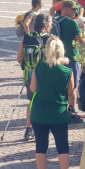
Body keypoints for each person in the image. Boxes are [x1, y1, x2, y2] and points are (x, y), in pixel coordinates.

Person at [29, 36, 80, 169]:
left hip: (39, 113)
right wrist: (72, 107)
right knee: (63, 146)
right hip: (58, 113)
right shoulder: (67, 71)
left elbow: (33, 89)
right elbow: (71, 93)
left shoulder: (39, 67)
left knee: (41, 146)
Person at [17, 13, 53, 141]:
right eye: (51, 23)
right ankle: (43, 129)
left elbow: (19, 58)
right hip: (45, 76)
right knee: (46, 102)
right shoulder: (50, 38)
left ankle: (29, 129)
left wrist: (29, 67)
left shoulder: (27, 37)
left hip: (30, 76)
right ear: (47, 25)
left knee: (32, 102)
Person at [55, 0, 85, 124]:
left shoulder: (55, 20)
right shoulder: (72, 23)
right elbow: (81, 41)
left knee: (60, 85)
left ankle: (60, 109)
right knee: (73, 87)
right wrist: (83, 30)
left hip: (59, 58)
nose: (76, 11)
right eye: (73, 9)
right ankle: (71, 111)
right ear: (65, 9)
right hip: (72, 58)